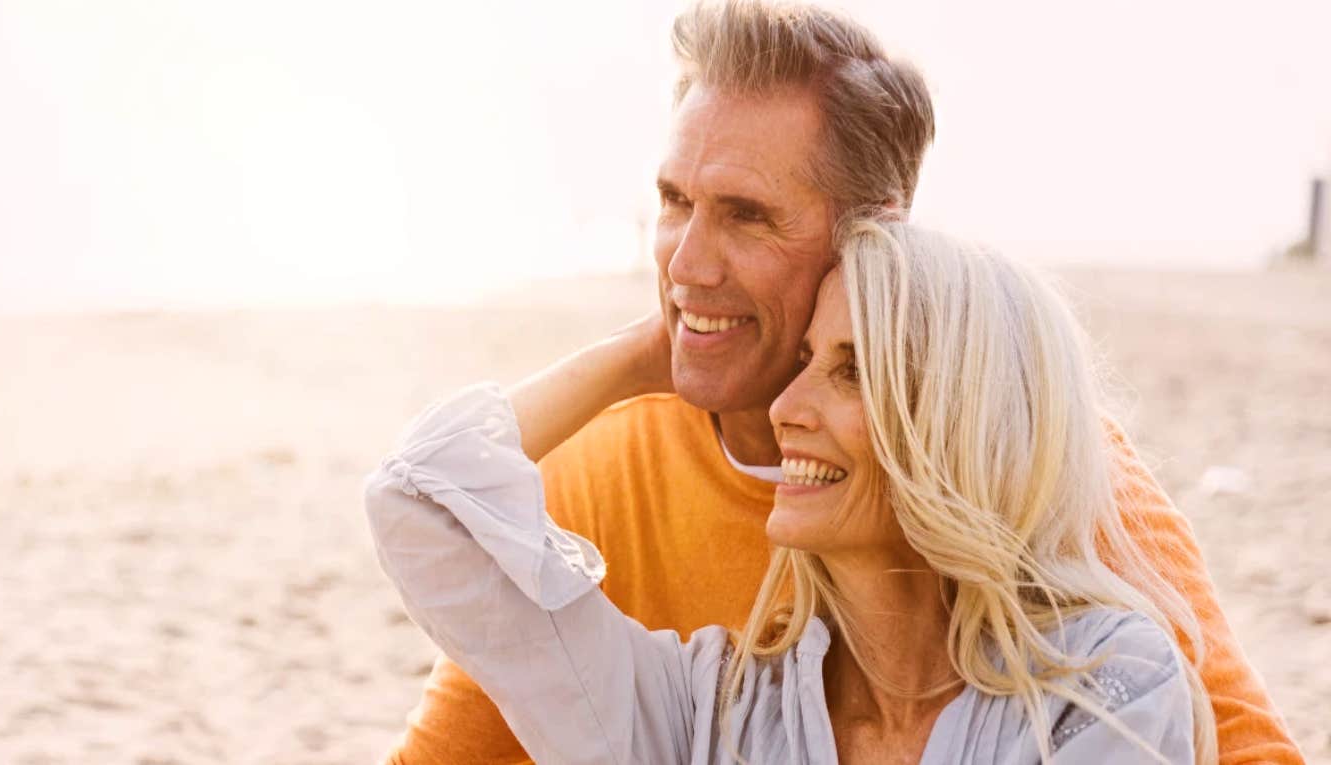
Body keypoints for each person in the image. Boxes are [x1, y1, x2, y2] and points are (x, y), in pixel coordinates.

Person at [378, 2, 1301, 763]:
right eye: (672, 202)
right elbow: (434, 584)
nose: (687, 263)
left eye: (746, 214)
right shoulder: (706, 670)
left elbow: (1248, 747)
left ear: (877, 239)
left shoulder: (1046, 464)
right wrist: (646, 350)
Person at [366, 220, 1214, 763]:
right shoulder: (710, 707)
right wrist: (652, 351)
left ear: (958, 422)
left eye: (851, 372)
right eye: (803, 360)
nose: (785, 409)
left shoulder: (1108, 683)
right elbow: (421, 496)